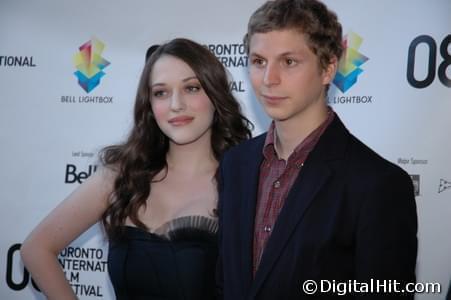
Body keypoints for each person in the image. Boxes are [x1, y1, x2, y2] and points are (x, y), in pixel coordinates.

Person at [21, 38, 252, 300]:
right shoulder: (122, 175)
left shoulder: (243, 184)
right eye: (161, 92)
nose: (176, 104)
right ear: (150, 106)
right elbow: (36, 249)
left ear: (216, 94)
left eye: (192, 88)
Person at [216, 0, 418, 299]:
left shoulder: (378, 184)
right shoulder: (235, 164)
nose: (269, 79)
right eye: (259, 61)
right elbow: (225, 283)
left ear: (328, 69)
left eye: (288, 62)